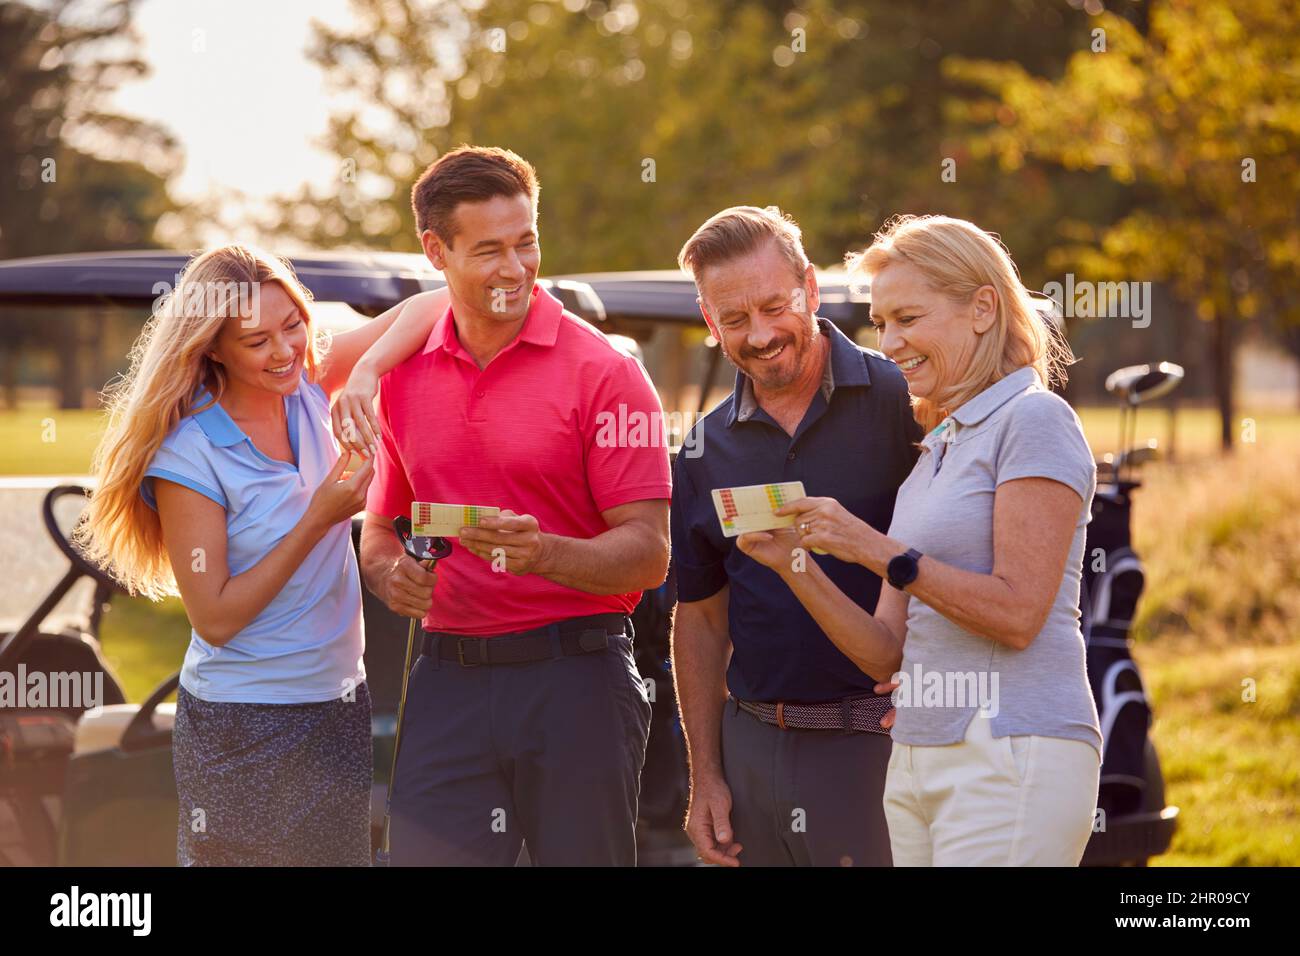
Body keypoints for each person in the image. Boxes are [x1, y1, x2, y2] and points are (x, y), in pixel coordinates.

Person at [742, 214, 1102, 866]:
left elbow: (1018, 614)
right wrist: (797, 565)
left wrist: (874, 549)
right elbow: (885, 655)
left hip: (1010, 750)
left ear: (982, 309)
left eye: (908, 318)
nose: (891, 342)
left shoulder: (1034, 420)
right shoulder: (936, 452)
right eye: (880, 324)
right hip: (914, 760)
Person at [78, 244, 448, 865]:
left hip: (339, 705)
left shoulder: (308, 388)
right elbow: (216, 618)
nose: (284, 351)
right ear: (213, 347)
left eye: (293, 326)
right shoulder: (189, 455)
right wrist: (320, 517)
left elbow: (434, 303)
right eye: (257, 341)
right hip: (245, 724)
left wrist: (365, 374)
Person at [359, 145, 671, 866]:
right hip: (444, 679)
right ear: (435, 251)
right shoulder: (405, 374)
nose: (515, 268)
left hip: (576, 681)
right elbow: (381, 526)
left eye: (526, 242)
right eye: (489, 249)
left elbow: (650, 555)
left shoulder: (608, 375)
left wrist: (545, 553)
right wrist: (386, 572)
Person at [670, 205, 921, 867]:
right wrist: (706, 774)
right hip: (752, 752)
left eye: (774, 306)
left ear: (810, 289)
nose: (759, 335)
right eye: (733, 319)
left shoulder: (906, 402)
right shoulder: (701, 450)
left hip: (882, 746)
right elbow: (698, 619)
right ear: (709, 320)